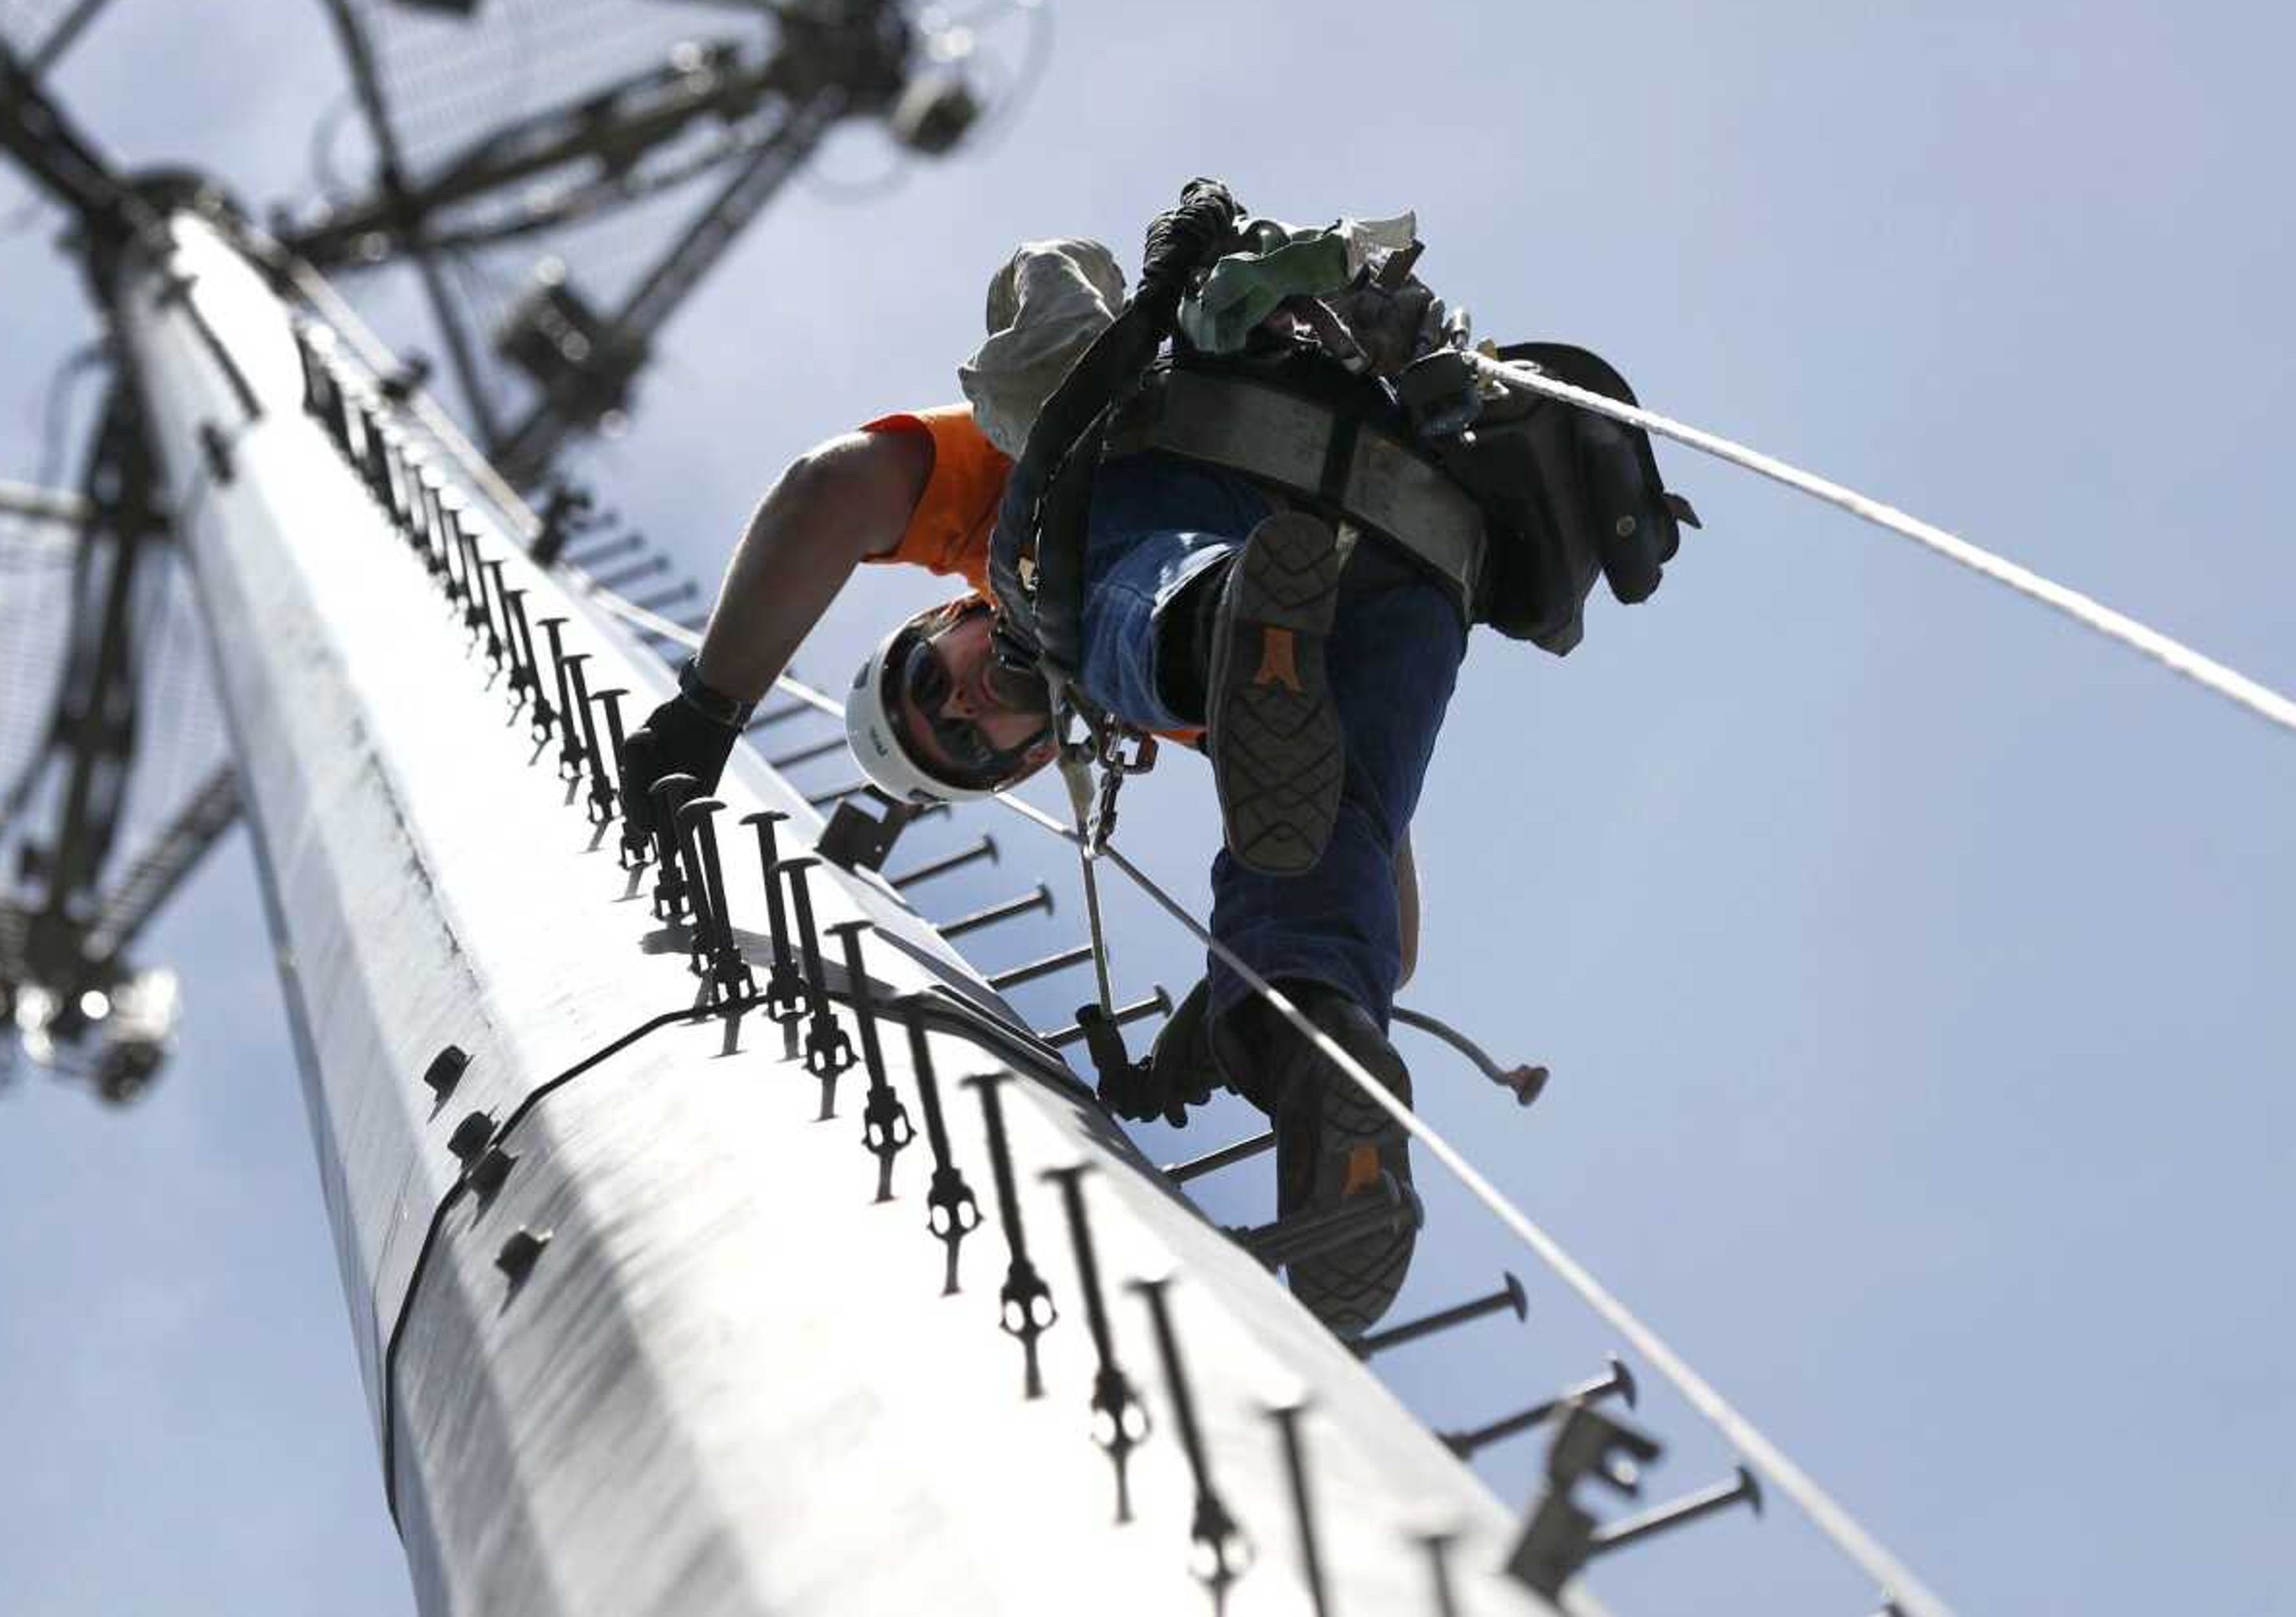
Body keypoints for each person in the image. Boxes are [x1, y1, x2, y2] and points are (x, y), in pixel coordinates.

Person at [618, 180, 1686, 1337]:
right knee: (1331, 824)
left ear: (942, 619)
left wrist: (708, 710)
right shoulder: (1238, 704)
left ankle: (1210, 623)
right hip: (1410, 560)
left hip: (1226, 487)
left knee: (1093, 611)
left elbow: (832, 492)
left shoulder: (989, 523)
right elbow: (1388, 903)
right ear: (1029, 768)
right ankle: (1308, 1054)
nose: (971, 704)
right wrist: (1216, 1024)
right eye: (973, 747)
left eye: (936, 681)